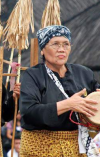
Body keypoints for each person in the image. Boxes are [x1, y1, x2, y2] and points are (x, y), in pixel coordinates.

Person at [19, 25, 100, 157]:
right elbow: (29, 112)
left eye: (66, 44)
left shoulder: (84, 73)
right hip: (40, 149)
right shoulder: (32, 75)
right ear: (42, 50)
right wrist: (68, 104)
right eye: (55, 44)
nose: (61, 49)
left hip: (76, 149)